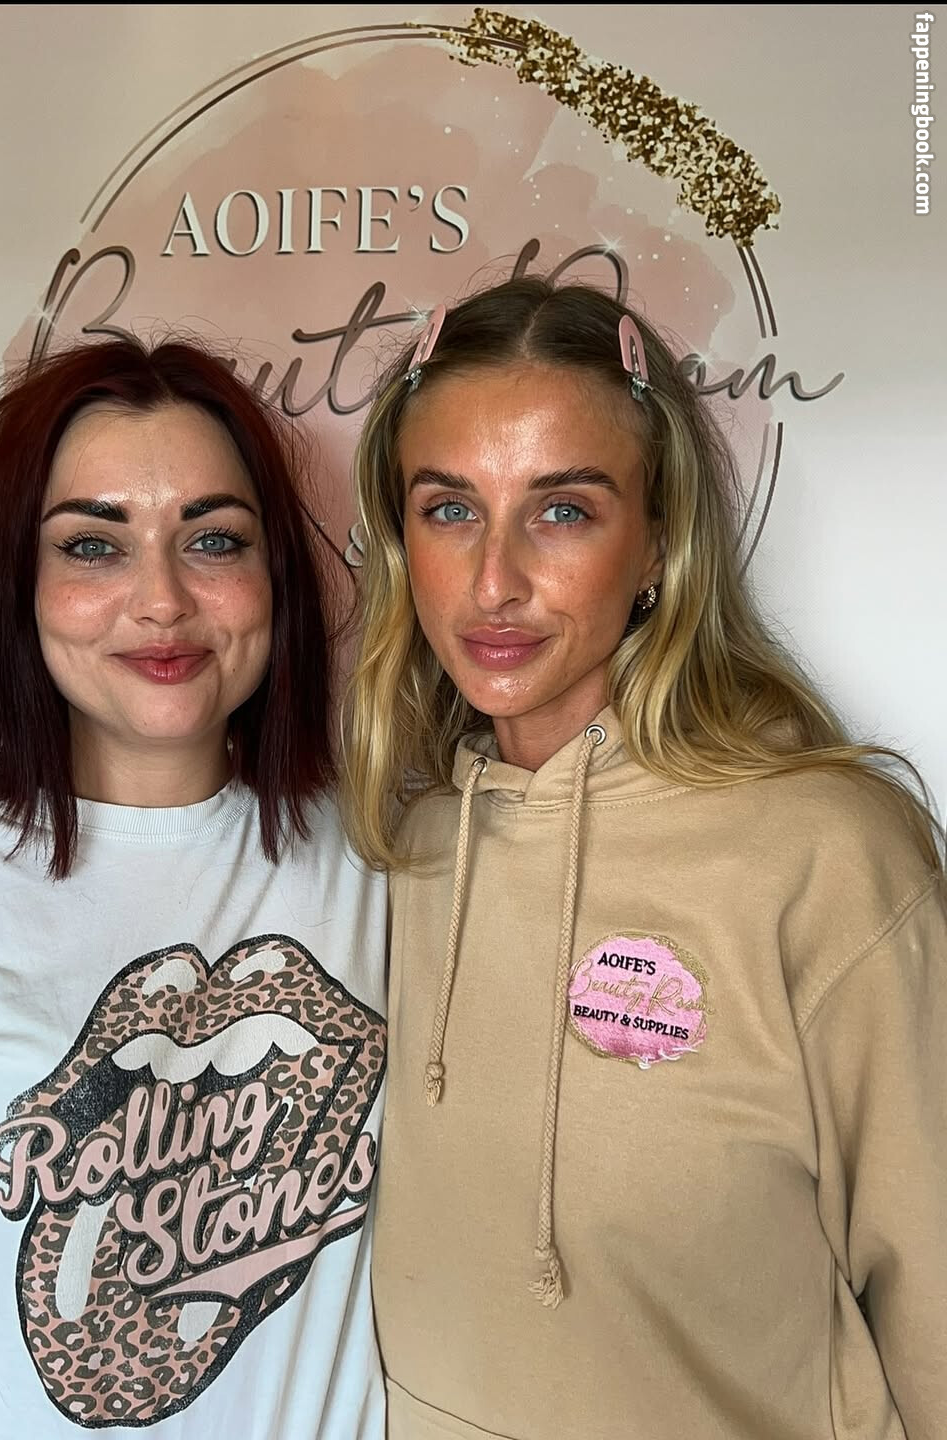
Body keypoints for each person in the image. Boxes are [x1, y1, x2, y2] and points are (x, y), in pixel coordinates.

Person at [343, 277, 947, 1440]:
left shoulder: (830, 854)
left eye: (564, 511)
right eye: (450, 509)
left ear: (660, 539)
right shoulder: (405, 850)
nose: (494, 581)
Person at [0, 337, 387, 1437]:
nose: (161, 600)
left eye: (213, 539)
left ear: (276, 580)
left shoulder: (394, 860)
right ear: (19, 586)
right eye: (93, 546)